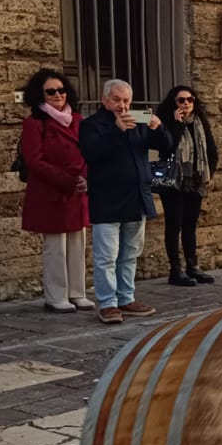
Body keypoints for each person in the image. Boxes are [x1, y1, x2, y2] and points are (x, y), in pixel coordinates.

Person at [79, 79, 171, 324]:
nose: (122, 105)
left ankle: (126, 298)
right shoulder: (91, 125)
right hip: (107, 200)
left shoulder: (138, 122)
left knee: (130, 253)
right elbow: (92, 153)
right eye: (117, 100)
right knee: (106, 256)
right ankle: (108, 303)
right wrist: (116, 129)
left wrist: (158, 127)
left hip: (136, 197)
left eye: (126, 101)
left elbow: (166, 147)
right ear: (104, 100)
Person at [18, 69, 93, 313]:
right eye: (51, 92)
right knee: (56, 247)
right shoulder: (34, 124)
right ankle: (56, 295)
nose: (58, 95)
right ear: (40, 95)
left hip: (77, 191)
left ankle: (77, 292)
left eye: (61, 90)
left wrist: (84, 176)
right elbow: (35, 161)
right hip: (51, 192)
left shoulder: (78, 120)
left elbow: (89, 150)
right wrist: (67, 180)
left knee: (77, 243)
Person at [154, 85, 219, 287]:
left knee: (190, 224)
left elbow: (211, 150)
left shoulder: (199, 122)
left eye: (190, 99)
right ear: (173, 103)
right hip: (174, 181)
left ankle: (193, 266)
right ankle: (175, 270)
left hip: (195, 181)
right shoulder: (165, 122)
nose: (186, 103)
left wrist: (208, 173)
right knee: (174, 225)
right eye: (181, 100)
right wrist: (177, 124)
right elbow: (166, 148)